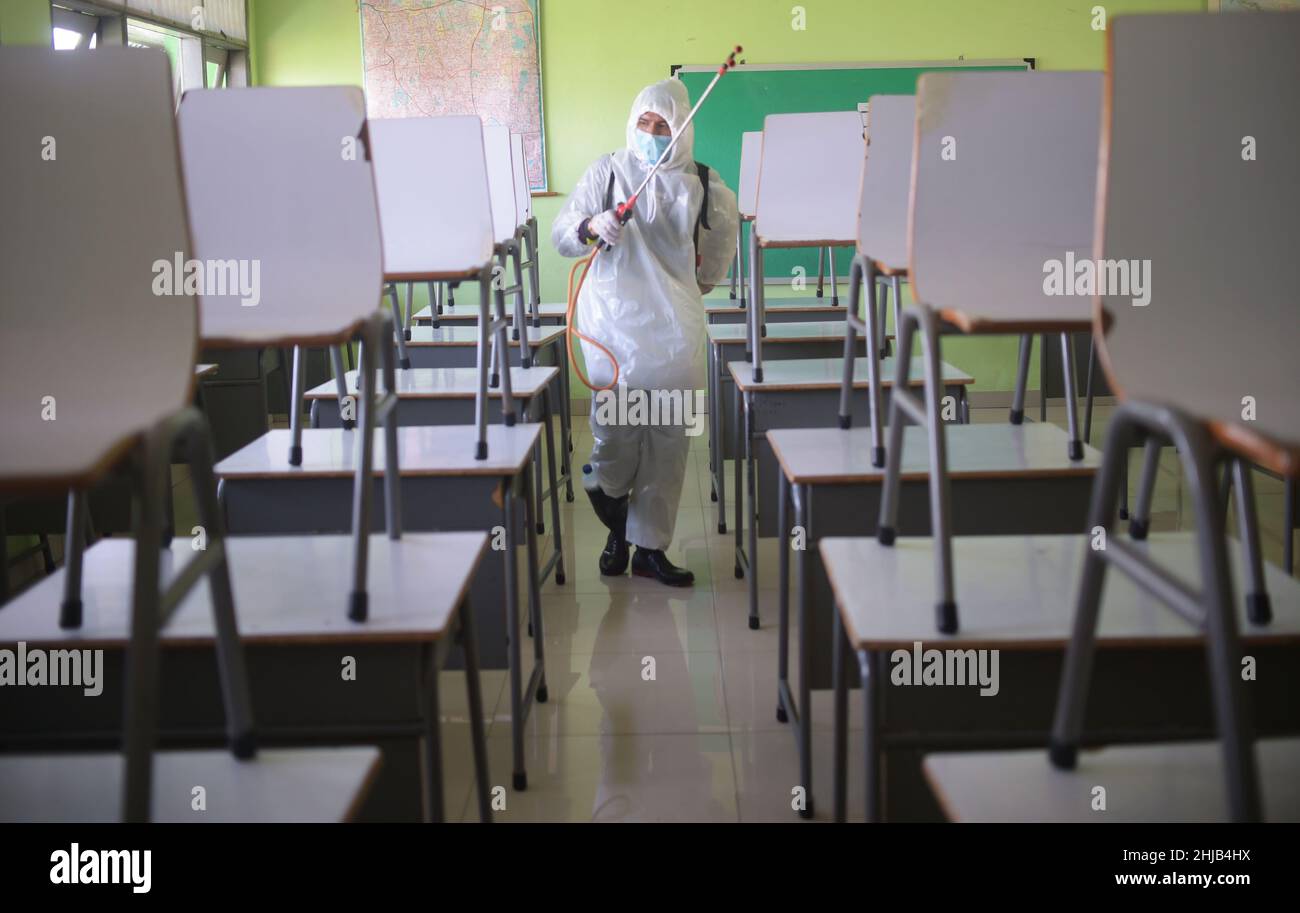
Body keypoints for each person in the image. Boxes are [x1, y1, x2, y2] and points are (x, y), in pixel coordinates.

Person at [553, 78, 738, 587]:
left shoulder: (705, 184)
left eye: (665, 126)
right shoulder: (608, 172)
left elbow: (717, 256)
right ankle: (615, 519)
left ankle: (649, 548)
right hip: (613, 333)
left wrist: (684, 293)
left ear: (682, 131)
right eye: (646, 123)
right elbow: (563, 234)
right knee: (615, 441)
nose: (654, 133)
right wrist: (594, 225)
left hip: (675, 335)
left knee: (668, 444)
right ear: (633, 122)